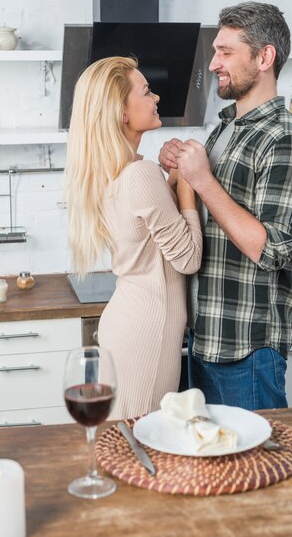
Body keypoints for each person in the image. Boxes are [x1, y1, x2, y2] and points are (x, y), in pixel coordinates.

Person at [159, 2, 292, 410]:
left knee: (261, 469)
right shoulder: (226, 127)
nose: (213, 64)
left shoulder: (285, 139)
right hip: (204, 337)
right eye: (215, 51)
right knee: (217, 470)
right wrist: (175, 173)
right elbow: (200, 219)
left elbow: (272, 250)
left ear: (265, 57)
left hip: (248, 349)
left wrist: (202, 180)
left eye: (226, 52)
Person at [65, 56, 202, 420]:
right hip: (147, 334)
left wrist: (171, 179)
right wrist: (190, 181)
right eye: (146, 91)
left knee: (126, 443)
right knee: (138, 443)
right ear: (122, 113)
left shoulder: (118, 172)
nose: (156, 97)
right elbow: (187, 258)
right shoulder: (140, 173)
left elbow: (150, 235)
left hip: (130, 324)